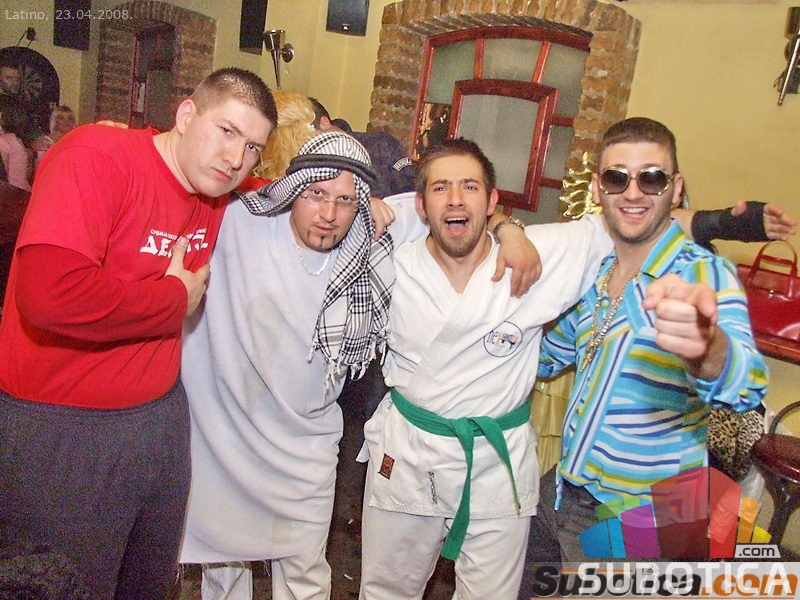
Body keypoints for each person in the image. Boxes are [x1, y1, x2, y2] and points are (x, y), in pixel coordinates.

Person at [178, 130, 538, 600]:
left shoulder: (376, 232)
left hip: (307, 443)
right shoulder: (242, 221)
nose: (329, 213)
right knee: (222, 567)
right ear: (293, 190)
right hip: (231, 434)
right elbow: (184, 180)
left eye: (346, 200)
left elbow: (463, 208)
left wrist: (511, 230)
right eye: (315, 193)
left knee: (303, 567)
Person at [0, 67, 277, 600]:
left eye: (252, 148)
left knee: (146, 583)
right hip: (61, 426)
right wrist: (173, 300)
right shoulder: (98, 155)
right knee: (63, 587)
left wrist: (372, 199)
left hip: (157, 422)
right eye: (227, 131)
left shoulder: (216, 187)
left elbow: (297, 191)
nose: (235, 158)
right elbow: (48, 295)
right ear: (186, 114)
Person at [521, 117, 770, 588]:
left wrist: (708, 349)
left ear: (675, 189)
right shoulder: (597, 274)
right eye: (617, 177)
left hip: (644, 515)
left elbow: (747, 386)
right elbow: (547, 354)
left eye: (651, 178)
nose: (633, 192)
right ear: (598, 189)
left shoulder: (701, 274)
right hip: (563, 490)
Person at [309, 97, 415, 200]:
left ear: (324, 123)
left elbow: (408, 197)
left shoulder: (382, 145)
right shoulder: (307, 165)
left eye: (305, 134)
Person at [0, 110, 31, 190]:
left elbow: (2, 180)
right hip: (23, 191)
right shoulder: (14, 139)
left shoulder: (3, 141)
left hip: (12, 193)